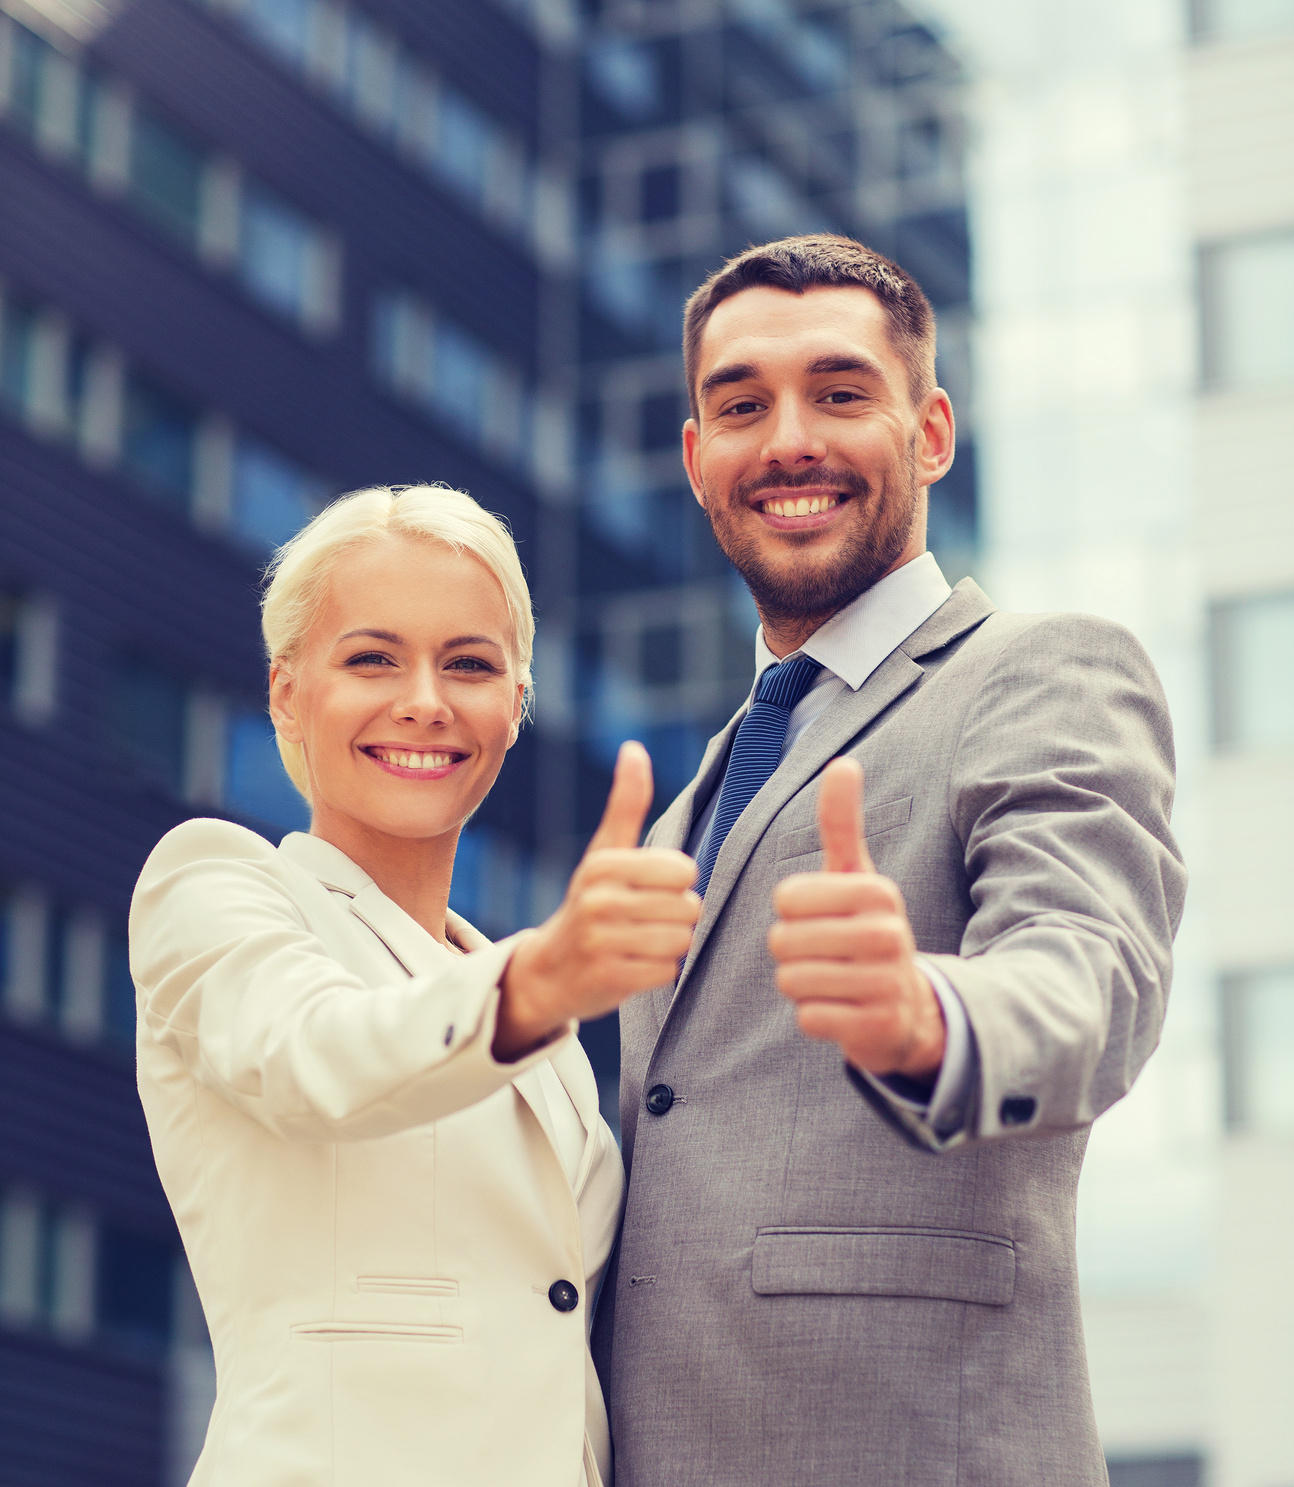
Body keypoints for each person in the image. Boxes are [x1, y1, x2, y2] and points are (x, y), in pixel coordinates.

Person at [592, 236, 1187, 1486]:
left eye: (841, 392)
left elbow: (1089, 973)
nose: (789, 439)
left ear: (929, 432)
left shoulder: (1040, 671)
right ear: (698, 460)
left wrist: (925, 1012)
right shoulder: (689, 802)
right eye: (741, 404)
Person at [129, 485, 700, 1487]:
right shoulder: (215, 883)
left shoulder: (542, 1026)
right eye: (372, 657)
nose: (425, 699)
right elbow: (316, 1052)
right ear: (286, 693)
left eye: (470, 664)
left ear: (515, 707)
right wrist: (541, 980)